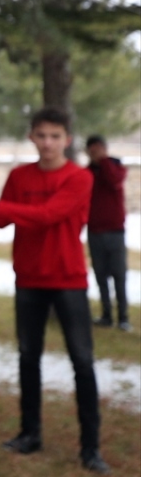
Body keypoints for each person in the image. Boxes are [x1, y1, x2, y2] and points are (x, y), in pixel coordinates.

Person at [0, 107, 109, 474]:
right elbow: (3, 217)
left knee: (82, 363)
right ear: (31, 138)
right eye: (41, 135)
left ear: (67, 140)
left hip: (68, 280)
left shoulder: (79, 178)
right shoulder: (19, 176)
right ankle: (30, 434)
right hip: (28, 279)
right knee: (28, 358)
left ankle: (91, 448)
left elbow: (47, 215)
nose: (48, 143)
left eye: (55, 136)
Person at [85, 135, 130, 332]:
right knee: (100, 275)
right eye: (92, 150)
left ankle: (123, 318)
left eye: (99, 149)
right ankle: (106, 315)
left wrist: (104, 160)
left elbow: (114, 181)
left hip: (115, 231)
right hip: (95, 231)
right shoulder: (86, 173)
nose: (95, 153)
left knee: (119, 276)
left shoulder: (116, 168)